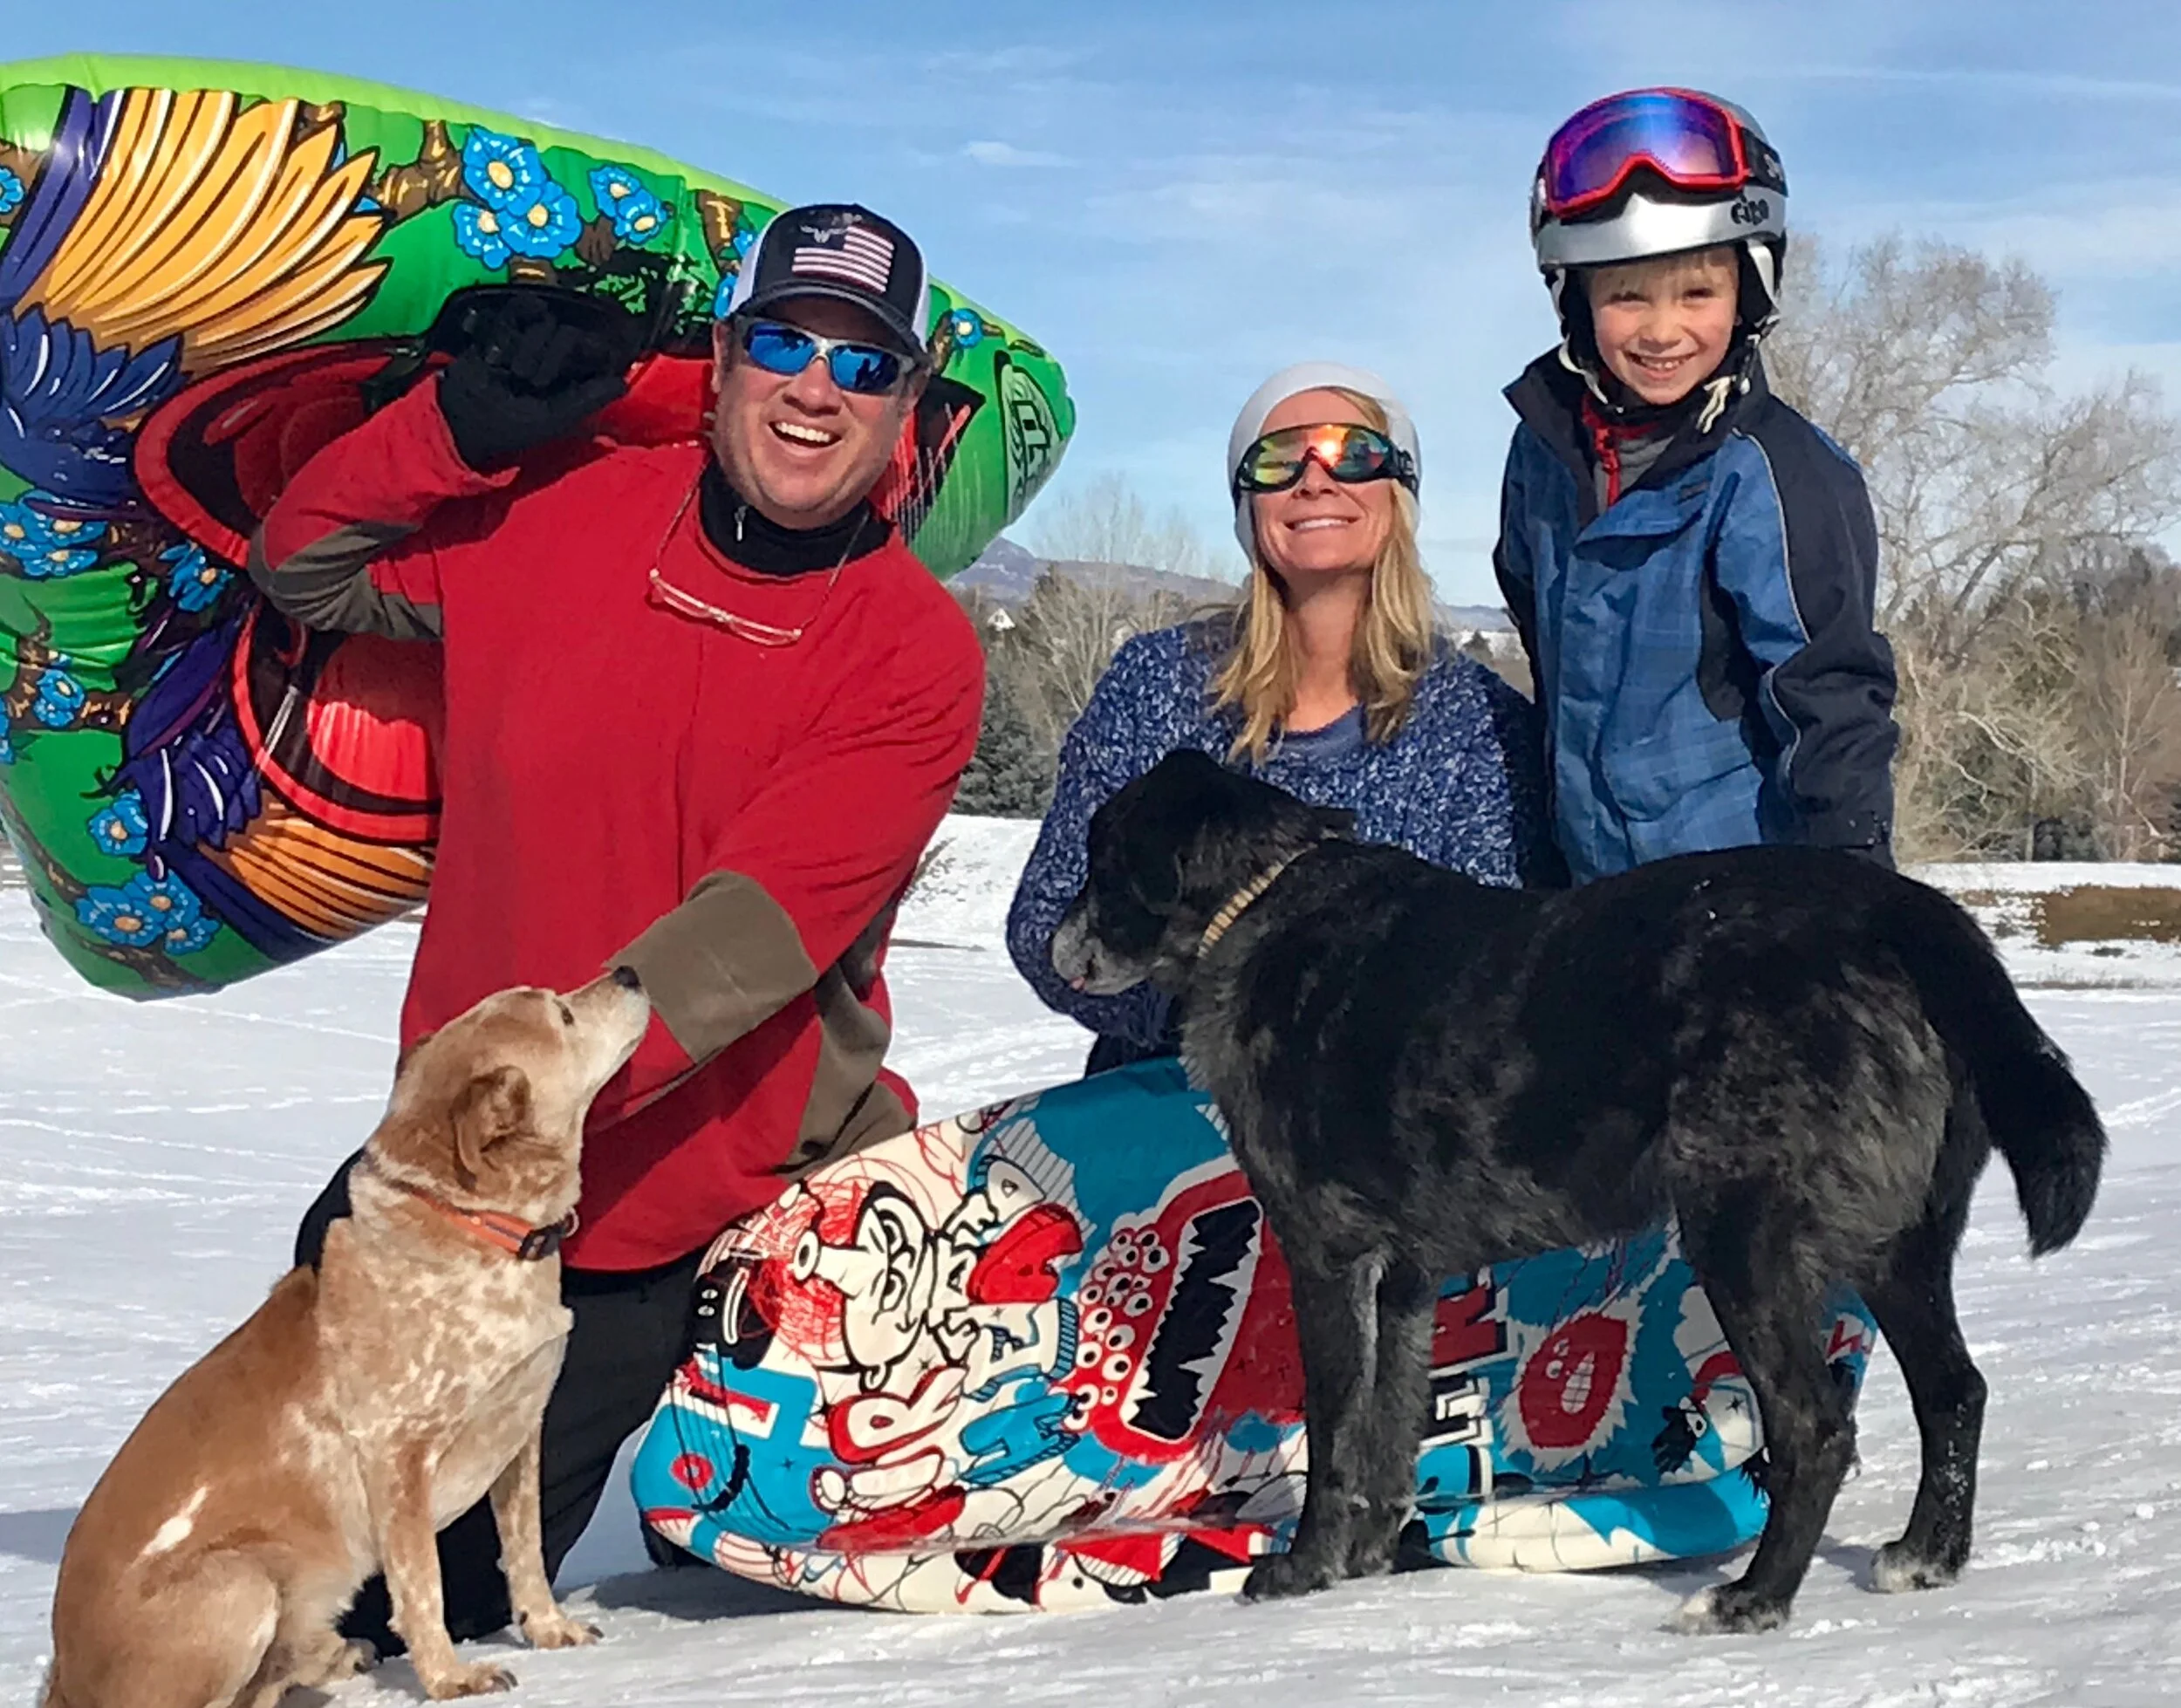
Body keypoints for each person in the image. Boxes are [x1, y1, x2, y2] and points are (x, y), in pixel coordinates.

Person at [249, 203, 984, 1649]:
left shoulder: (914, 654)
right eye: (783, 339)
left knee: (434, 1603)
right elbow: (304, 565)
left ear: (903, 409)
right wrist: (451, 427)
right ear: (721, 359)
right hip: (449, 1165)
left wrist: (505, 1124)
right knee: (288, 1559)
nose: (815, 388)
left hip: (674, 1204)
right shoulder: (555, 505)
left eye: (865, 364)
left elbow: (745, 942)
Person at [1007, 364, 1556, 1072]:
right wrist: (1211, 1036)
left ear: (1399, 494)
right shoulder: (1157, 685)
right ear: (1248, 504)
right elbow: (1048, 925)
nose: (1315, 479)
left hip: (1379, 1136)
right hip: (1162, 1101)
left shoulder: (1479, 726)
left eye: (1354, 454)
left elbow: (1492, 974)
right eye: (1278, 459)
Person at [1494, 88, 1899, 885]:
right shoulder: (1541, 454)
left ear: (1748, 293)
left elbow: (1831, 702)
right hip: (1595, 897)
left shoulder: (1777, 475)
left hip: (1741, 899)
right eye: (1626, 295)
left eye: (1697, 293)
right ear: (1576, 302)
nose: (1662, 330)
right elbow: (1548, 656)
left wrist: (1855, 895)